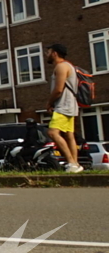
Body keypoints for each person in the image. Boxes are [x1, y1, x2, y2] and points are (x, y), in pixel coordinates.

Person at [45, 43, 82, 173]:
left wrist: (49, 103)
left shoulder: (61, 67)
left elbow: (58, 89)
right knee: (69, 135)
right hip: (70, 105)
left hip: (64, 105)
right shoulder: (69, 66)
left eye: (48, 52)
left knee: (52, 133)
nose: (47, 55)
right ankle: (75, 165)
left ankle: (71, 162)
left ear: (55, 53)